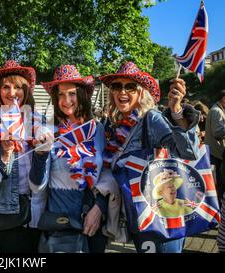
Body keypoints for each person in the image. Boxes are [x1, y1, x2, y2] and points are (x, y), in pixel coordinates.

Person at [97, 61, 200, 253]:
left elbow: (187, 152)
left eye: (130, 86)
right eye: (117, 86)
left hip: (160, 217)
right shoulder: (113, 125)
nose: (122, 91)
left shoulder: (150, 118)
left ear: (141, 92)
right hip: (136, 214)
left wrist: (177, 111)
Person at [29, 64, 107, 253]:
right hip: (58, 222)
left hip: (92, 219)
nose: (66, 100)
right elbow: (36, 186)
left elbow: (108, 172)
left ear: (82, 95)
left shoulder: (97, 130)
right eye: (61, 94)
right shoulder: (48, 131)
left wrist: (99, 207)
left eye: (72, 93)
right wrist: (40, 156)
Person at [0, 60, 45, 253]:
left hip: (39, 205)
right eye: (5, 87)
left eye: (17, 87)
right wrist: (5, 153)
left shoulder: (40, 121)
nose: (11, 93)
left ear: (26, 91)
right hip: (6, 207)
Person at [205, 90, 225, 203]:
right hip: (216, 152)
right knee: (219, 182)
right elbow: (218, 132)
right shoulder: (217, 111)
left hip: (215, 151)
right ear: (223, 99)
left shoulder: (217, 109)